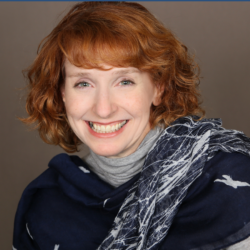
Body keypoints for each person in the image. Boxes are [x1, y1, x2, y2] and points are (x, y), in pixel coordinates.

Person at [13, 2, 250, 250]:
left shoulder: (235, 186)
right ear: (62, 93)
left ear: (159, 88)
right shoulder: (44, 205)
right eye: (83, 83)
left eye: (124, 81)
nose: (103, 109)